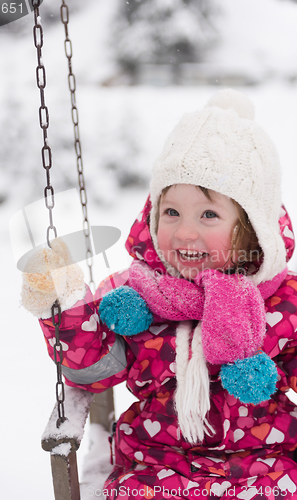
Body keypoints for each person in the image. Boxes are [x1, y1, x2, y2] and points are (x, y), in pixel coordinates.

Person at [21, 89, 297, 499]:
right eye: (171, 212)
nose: (185, 232)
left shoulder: (282, 301)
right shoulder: (132, 293)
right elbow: (93, 369)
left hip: (267, 460)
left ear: (251, 228)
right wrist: (64, 303)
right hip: (155, 461)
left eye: (208, 214)